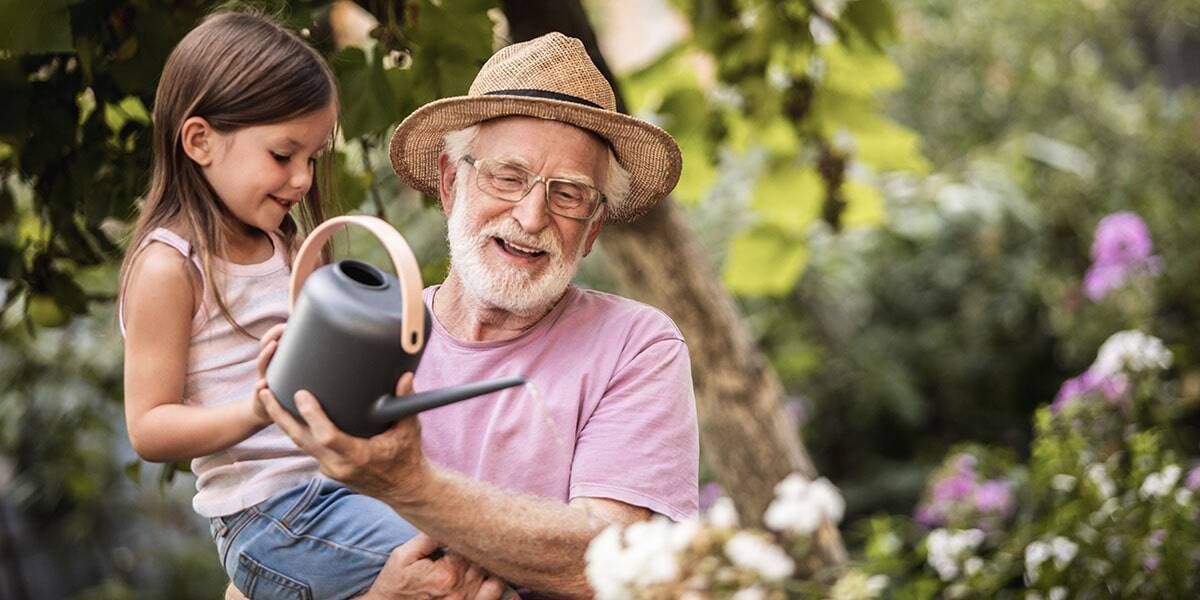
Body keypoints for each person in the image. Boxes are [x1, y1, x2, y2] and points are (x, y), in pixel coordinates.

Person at [256, 32, 699, 598]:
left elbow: (616, 562)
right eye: (508, 177)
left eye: (569, 195)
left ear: (593, 229)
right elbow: (262, 558)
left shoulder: (636, 345)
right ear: (449, 182)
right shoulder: (361, 332)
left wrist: (411, 485)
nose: (532, 216)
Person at [118, 12, 501, 600]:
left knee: (481, 551)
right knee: (465, 566)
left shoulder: (289, 245)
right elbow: (149, 428)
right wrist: (256, 408)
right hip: (271, 516)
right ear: (200, 141)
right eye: (282, 154)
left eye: (314, 157)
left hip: (338, 487)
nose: (301, 178)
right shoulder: (170, 268)